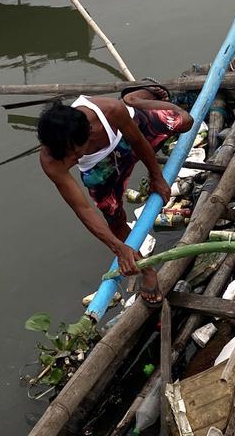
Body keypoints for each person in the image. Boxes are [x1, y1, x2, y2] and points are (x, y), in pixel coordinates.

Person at [38, 86, 193, 305]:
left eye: (75, 151)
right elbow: (82, 208)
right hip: (100, 167)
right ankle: (146, 269)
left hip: (127, 135)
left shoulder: (110, 111)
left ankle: (135, 98)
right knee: (114, 217)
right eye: (66, 155)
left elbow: (139, 142)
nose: (71, 158)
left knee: (185, 121)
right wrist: (117, 247)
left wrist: (156, 176)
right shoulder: (51, 160)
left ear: (89, 132)